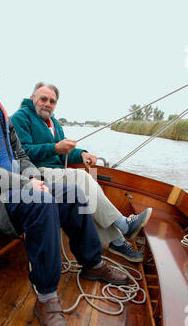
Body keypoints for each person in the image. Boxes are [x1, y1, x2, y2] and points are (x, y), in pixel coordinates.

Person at [0, 46, 131, 326]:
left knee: (71, 193)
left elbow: (20, 155)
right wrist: (26, 187)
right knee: (41, 202)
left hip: (0, 189)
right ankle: (47, 297)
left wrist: (34, 178)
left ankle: (92, 262)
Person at [11, 82, 152, 262]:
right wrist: (55, 147)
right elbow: (24, 152)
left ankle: (116, 241)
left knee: (87, 192)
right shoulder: (20, 118)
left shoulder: (53, 122)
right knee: (83, 178)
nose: (47, 104)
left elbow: (64, 154)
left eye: (52, 101)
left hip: (56, 171)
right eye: (43, 99)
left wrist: (82, 153)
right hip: (35, 173)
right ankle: (123, 225)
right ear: (33, 99)